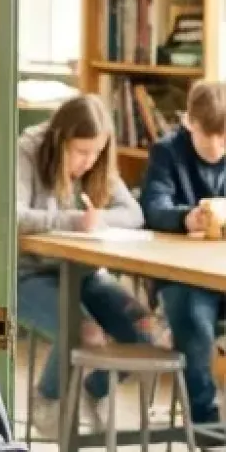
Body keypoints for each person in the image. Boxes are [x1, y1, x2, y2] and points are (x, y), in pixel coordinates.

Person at [14, 93, 148, 434]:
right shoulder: (28, 150)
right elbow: (14, 215)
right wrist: (76, 221)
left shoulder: (96, 162)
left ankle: (91, 391)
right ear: (60, 141)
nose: (89, 161)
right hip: (28, 274)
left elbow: (133, 213)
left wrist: (100, 218)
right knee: (82, 331)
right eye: (81, 151)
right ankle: (48, 400)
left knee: (145, 332)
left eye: (96, 152)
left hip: (85, 273)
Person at [141, 80, 226, 426]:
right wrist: (185, 218)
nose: (217, 147)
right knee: (193, 318)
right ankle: (205, 424)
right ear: (190, 123)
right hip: (182, 278)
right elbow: (153, 208)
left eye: (224, 138)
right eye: (209, 136)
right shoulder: (167, 153)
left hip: (220, 273)